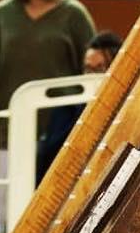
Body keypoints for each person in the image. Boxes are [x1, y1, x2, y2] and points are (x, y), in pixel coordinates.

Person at [34, 28, 125, 182]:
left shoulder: (131, 111)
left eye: (100, 69)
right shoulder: (65, 110)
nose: (91, 76)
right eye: (88, 69)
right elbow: (46, 164)